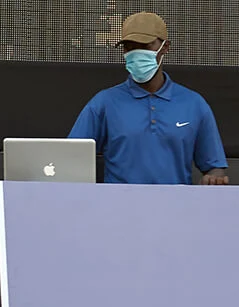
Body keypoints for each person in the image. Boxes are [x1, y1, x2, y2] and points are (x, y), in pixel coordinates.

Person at [68, 11, 230, 185]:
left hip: (176, 202)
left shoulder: (194, 104)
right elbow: (70, 157)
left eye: (145, 46)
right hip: (118, 201)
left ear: (165, 47)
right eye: (129, 47)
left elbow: (214, 167)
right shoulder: (104, 103)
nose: (136, 53)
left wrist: (214, 179)